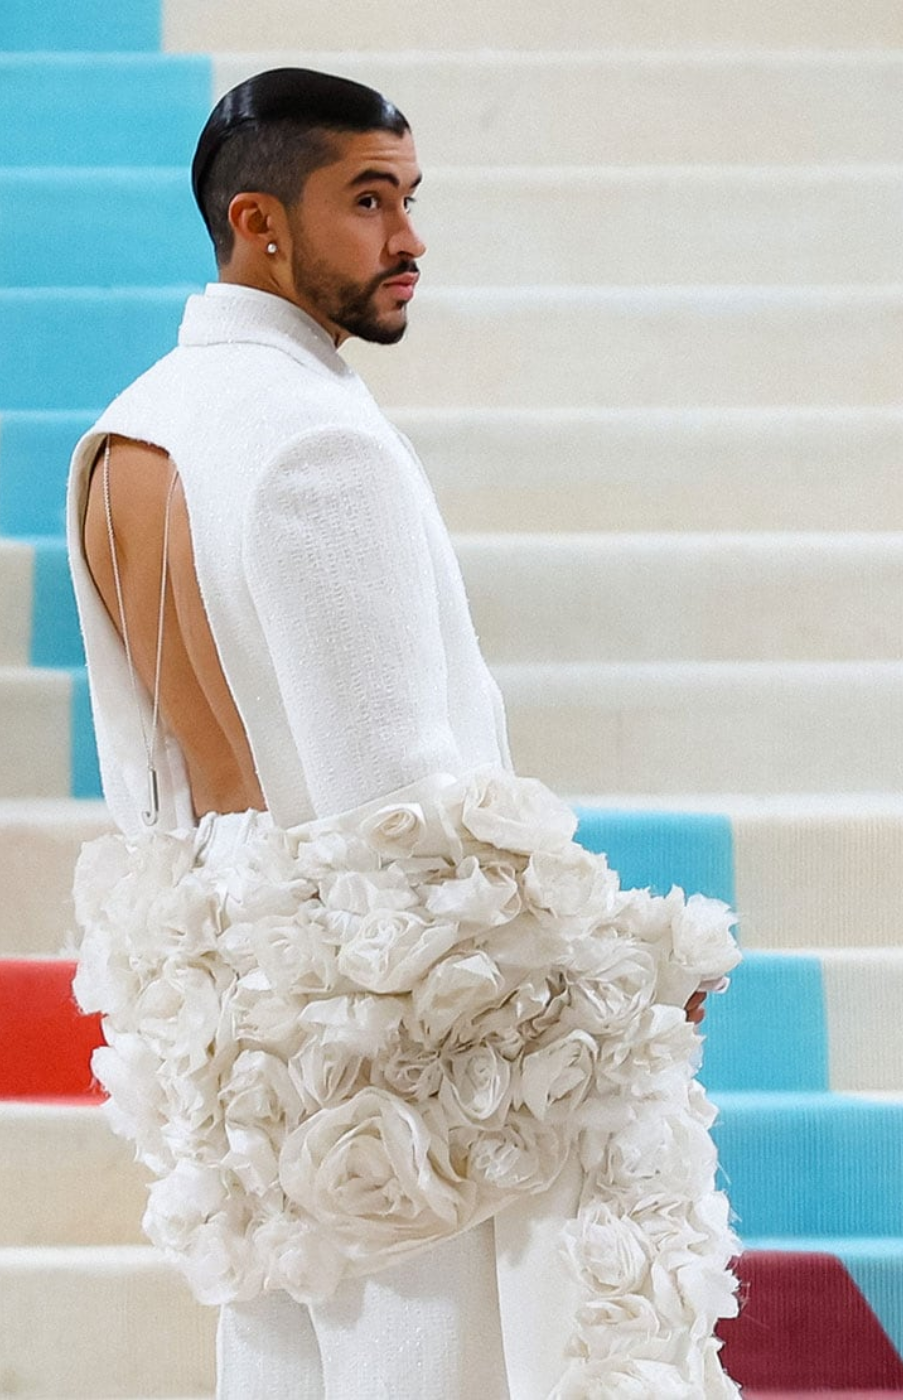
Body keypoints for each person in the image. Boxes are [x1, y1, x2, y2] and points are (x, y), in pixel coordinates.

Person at [67, 68, 740, 1398]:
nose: (410, 241)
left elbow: (152, 791)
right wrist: (610, 974)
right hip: (401, 1075)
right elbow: (406, 821)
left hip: (241, 1049)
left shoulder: (124, 434)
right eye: (369, 203)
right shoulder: (317, 441)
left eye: (411, 199)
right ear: (259, 221)